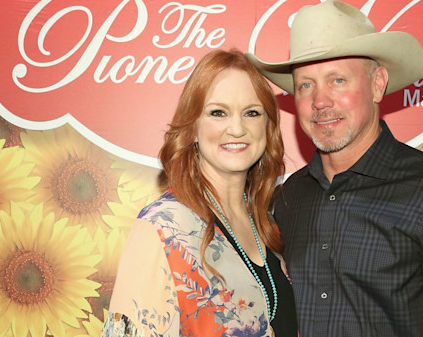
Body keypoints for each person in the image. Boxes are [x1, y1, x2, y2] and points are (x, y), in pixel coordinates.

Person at [246, 0, 423, 336]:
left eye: (337, 80)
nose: (320, 101)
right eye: (306, 85)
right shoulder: (288, 198)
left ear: (378, 84)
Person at [102, 49, 298, 336]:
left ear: (268, 128)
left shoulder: (268, 224)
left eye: (252, 113)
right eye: (218, 112)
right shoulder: (162, 228)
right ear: (193, 127)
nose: (237, 128)